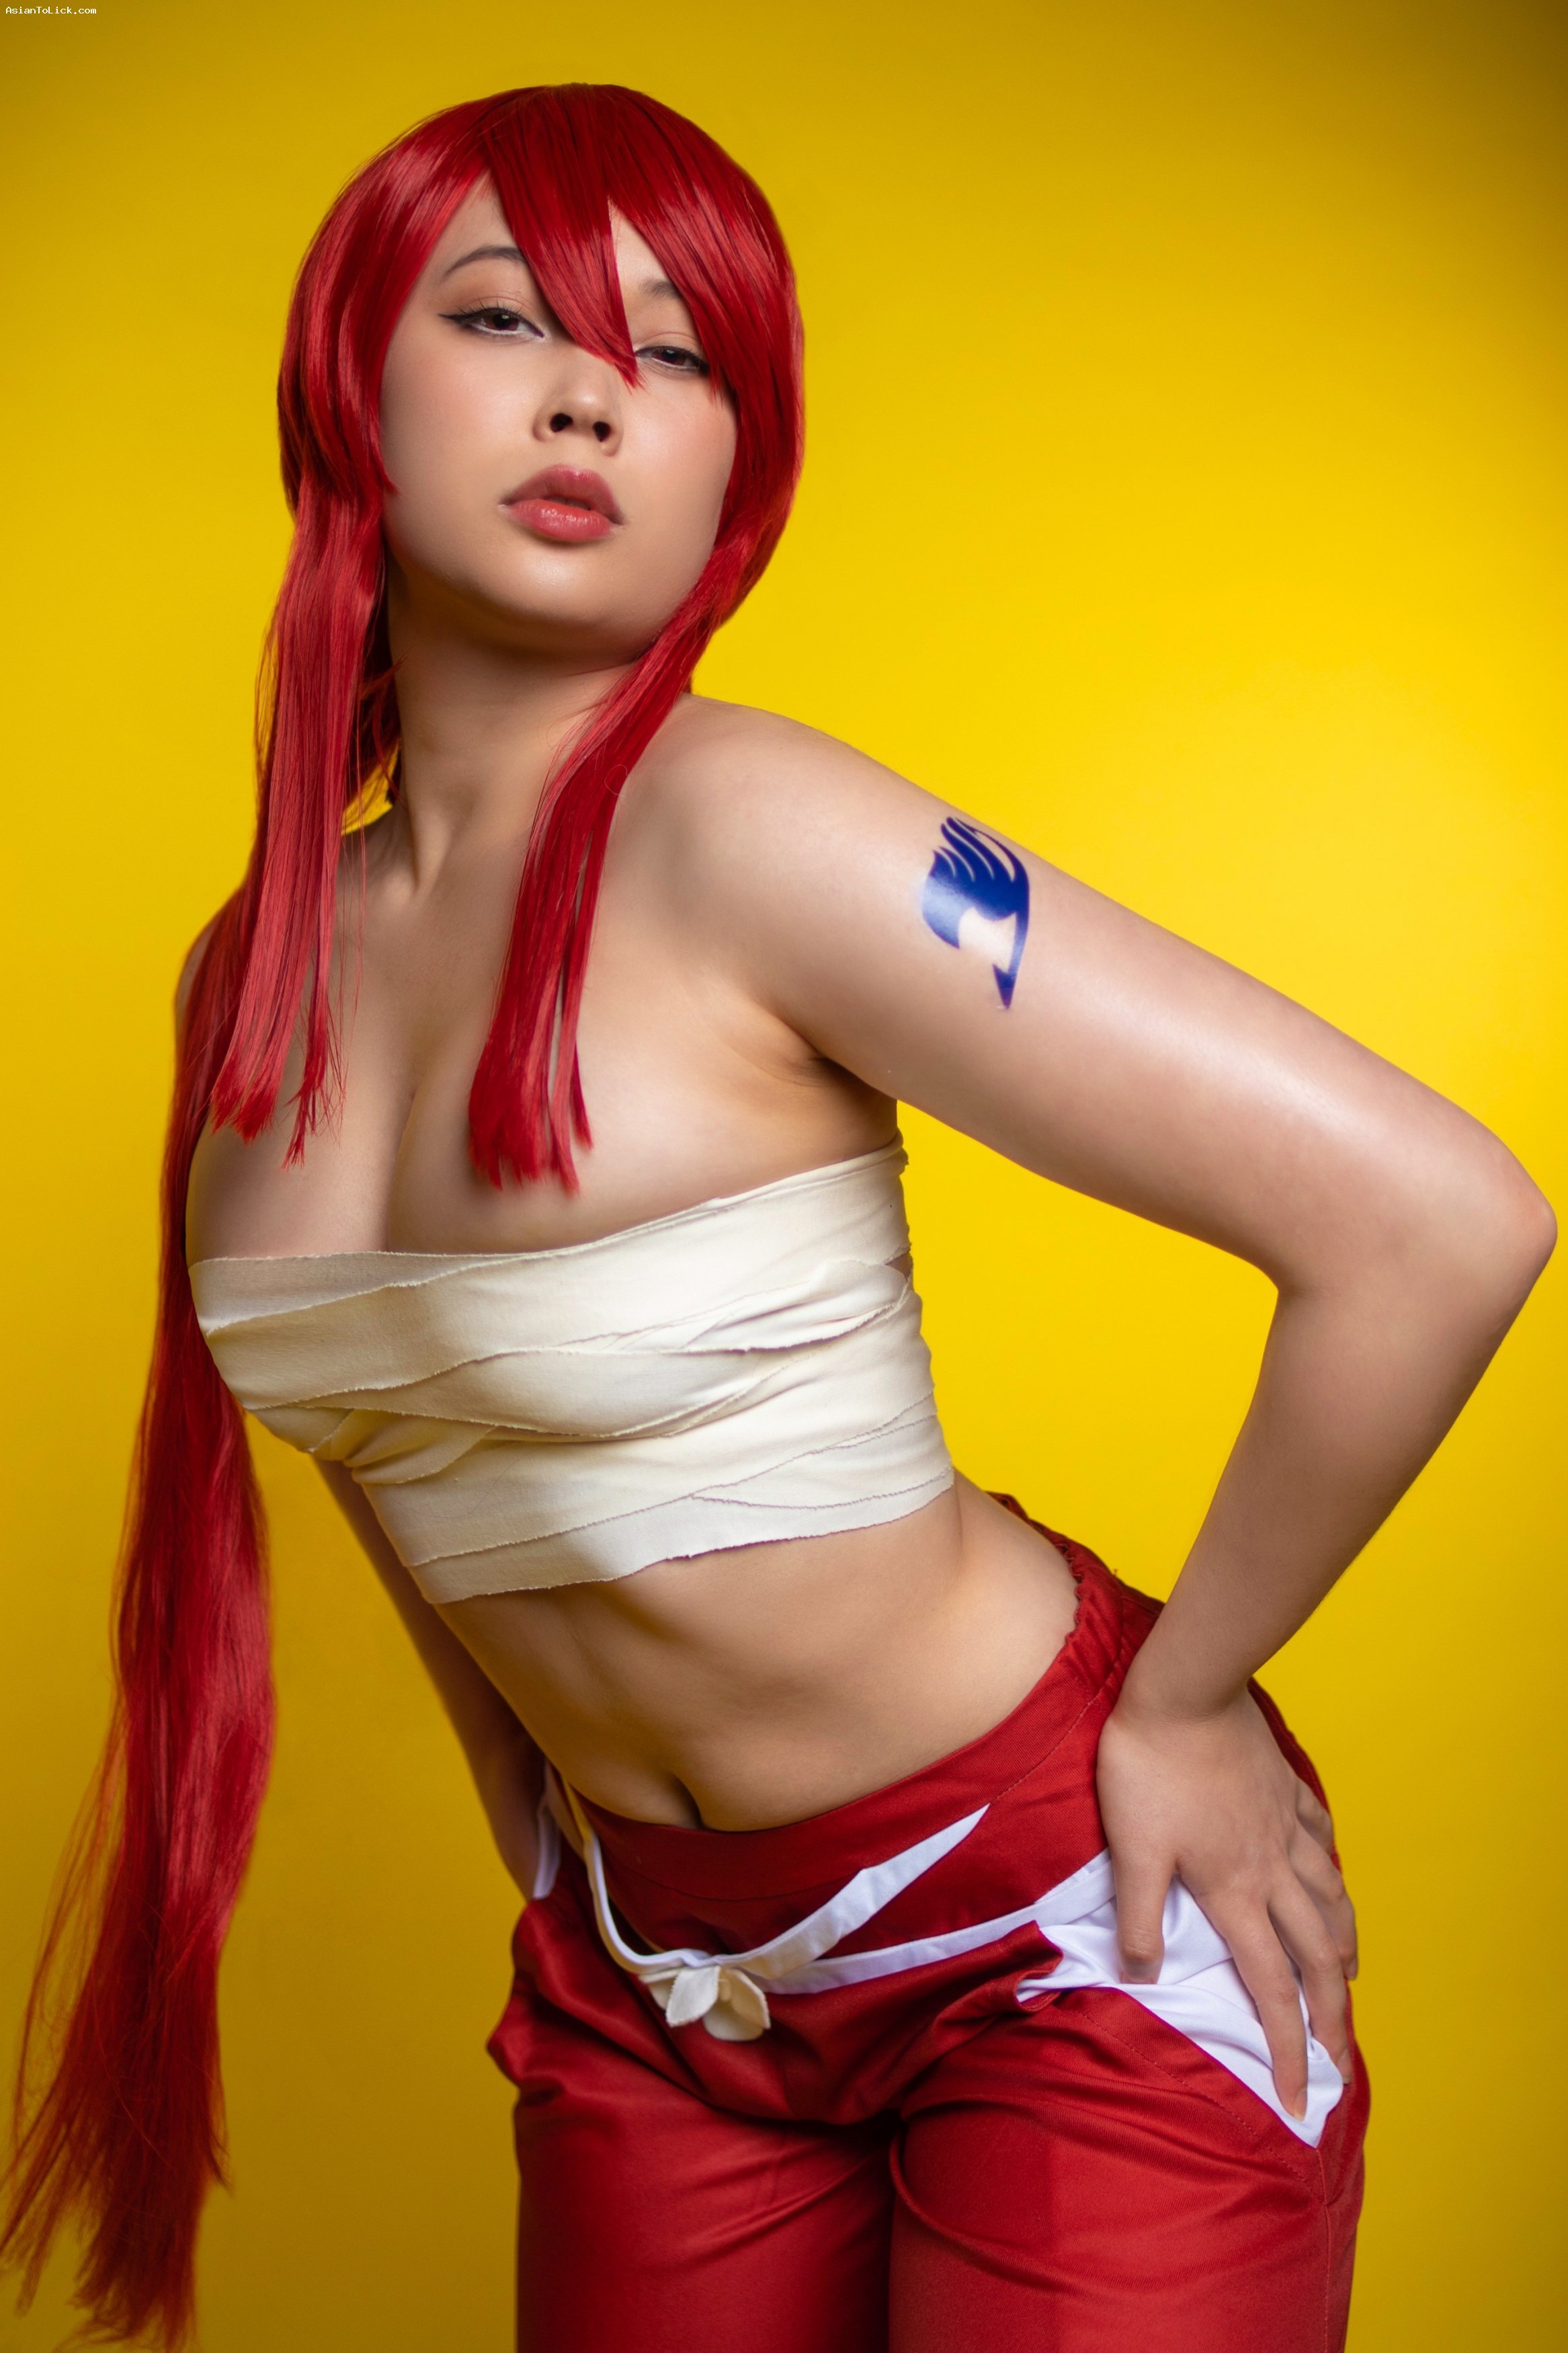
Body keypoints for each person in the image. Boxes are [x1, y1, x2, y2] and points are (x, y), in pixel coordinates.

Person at [2, 81, 1553, 2353]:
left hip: (1066, 1921)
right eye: (505, 316)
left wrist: (1193, 1701)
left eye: (679, 353)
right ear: (347, 380)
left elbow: (1435, 1215)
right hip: (657, 1977)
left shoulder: (754, 831)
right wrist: (532, 1802)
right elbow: (391, 1415)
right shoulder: (247, 971)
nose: (588, 399)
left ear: (741, 462)